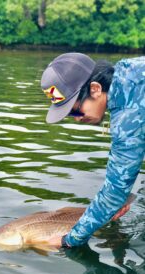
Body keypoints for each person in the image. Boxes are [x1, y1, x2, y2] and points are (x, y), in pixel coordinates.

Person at [41, 53, 145, 248]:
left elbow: (114, 191)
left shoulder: (126, 117)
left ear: (95, 89)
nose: (76, 119)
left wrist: (69, 240)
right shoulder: (132, 70)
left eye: (74, 110)